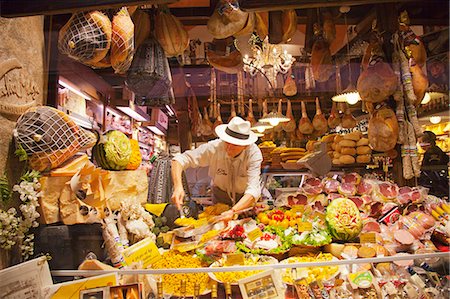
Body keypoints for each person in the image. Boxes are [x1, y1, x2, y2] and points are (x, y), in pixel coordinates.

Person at [171, 117, 263, 221]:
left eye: (235, 145)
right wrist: (178, 186)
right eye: (227, 142)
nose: (228, 147)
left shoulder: (253, 153)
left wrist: (233, 211)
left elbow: (253, 190)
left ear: (245, 146)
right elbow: (180, 159)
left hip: (244, 200)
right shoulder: (215, 147)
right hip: (220, 197)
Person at [418, 131, 449, 198]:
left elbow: (427, 169)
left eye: (420, 142)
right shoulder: (438, 150)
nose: (420, 145)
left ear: (426, 142)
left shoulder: (430, 153)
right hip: (441, 185)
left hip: (434, 187)